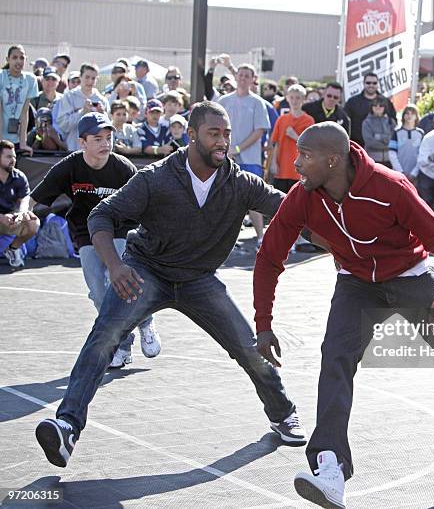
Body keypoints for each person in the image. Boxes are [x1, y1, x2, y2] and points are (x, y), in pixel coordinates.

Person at [253, 122, 434, 508]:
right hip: (357, 283)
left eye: (305, 156)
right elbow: (269, 256)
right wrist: (263, 322)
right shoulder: (303, 196)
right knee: (336, 356)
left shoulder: (389, 187)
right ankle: (330, 469)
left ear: (333, 160)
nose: (296, 163)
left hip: (410, 276)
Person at [34, 101, 307, 469]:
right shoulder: (157, 177)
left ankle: (282, 412)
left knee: (248, 349)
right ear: (192, 135)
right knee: (104, 337)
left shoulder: (239, 182)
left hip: (199, 279)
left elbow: (292, 210)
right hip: (147, 270)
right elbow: (102, 214)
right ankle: (67, 426)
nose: (222, 141)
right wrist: (114, 266)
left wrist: (346, 228)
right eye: (214, 133)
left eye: (226, 134)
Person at [30, 112, 161, 367]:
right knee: (99, 292)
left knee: (120, 282)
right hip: (86, 232)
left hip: (122, 229)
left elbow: (146, 202)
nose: (105, 143)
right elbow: (35, 196)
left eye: (109, 138)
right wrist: (24, 210)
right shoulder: (70, 166)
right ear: (83, 142)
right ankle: (124, 343)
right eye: (98, 138)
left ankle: (145, 321)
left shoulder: (124, 168)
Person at [218, 63, 271, 248]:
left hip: (250, 158)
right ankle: (227, 240)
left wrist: (238, 149)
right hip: (226, 157)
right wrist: (226, 149)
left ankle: (260, 238)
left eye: (247, 75)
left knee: (253, 198)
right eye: (240, 74)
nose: (242, 78)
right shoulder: (223, 101)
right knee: (226, 198)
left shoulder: (258, 103)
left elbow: (259, 131)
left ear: (252, 79)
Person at [0, 140, 39, 267]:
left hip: (11, 218)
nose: (13, 160)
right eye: (8, 157)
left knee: (33, 222)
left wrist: (21, 214)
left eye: (14, 157)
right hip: (1, 218)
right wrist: (1, 218)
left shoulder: (19, 176)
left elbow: (25, 200)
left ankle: (12, 249)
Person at [268, 84, 314, 193]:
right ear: (287, 98)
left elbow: (310, 147)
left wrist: (295, 136)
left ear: (303, 99)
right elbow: (276, 143)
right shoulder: (281, 119)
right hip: (281, 170)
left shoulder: (309, 120)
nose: (294, 101)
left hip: (299, 171)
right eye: (292, 97)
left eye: (298, 98)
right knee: (278, 203)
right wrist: (273, 163)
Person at [56, 63, 109, 151]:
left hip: (97, 150)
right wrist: (82, 112)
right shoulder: (69, 97)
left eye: (93, 78)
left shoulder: (102, 100)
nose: (90, 81)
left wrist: (102, 115)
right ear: (80, 77)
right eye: (87, 77)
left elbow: (110, 127)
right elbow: (63, 125)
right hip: (75, 148)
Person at [0, 44, 38, 156]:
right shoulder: (1, 77)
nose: (18, 61)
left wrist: (23, 142)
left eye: (22, 58)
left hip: (15, 138)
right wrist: (1, 141)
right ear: (8, 59)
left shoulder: (31, 79)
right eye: (14, 57)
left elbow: (25, 112)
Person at [344, 72, 395, 147]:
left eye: (374, 83)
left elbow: (393, 122)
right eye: (368, 83)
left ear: (378, 84)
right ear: (363, 83)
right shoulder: (352, 102)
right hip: (357, 146)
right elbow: (345, 123)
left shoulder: (386, 102)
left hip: (383, 150)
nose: (371, 85)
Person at [389, 104, 423, 177]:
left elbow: (422, 154)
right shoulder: (396, 132)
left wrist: (414, 173)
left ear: (416, 116)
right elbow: (392, 153)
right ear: (403, 116)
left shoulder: (421, 133)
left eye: (412, 113)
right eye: (407, 113)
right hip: (398, 174)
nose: (409, 115)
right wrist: (400, 172)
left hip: (416, 174)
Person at [361, 96, 394, 167]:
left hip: (390, 161)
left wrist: (377, 136)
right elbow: (369, 142)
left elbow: (394, 141)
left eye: (381, 105)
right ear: (371, 107)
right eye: (375, 105)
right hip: (372, 161)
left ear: (385, 107)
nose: (378, 107)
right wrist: (387, 142)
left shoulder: (391, 122)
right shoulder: (366, 122)